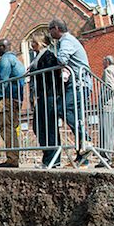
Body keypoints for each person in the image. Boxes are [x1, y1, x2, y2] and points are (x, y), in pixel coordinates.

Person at [48, 18, 91, 163]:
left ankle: (86, 140)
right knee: (76, 117)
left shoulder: (66, 40)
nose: (49, 32)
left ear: (56, 28)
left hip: (78, 83)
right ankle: (82, 157)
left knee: (64, 110)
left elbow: (61, 59)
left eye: (50, 29)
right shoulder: (68, 40)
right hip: (79, 83)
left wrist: (61, 66)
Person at [27, 32, 61, 167]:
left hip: (49, 95)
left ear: (40, 42)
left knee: (49, 127)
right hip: (41, 96)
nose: (31, 44)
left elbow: (50, 74)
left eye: (33, 42)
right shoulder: (37, 57)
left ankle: (52, 160)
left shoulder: (48, 56)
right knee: (38, 126)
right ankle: (50, 157)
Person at [0, 38, 25, 167]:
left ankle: (12, 159)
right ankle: (13, 158)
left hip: (6, 99)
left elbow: (2, 81)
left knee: (6, 128)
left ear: (2, 47)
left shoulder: (5, 60)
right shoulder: (17, 60)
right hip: (17, 98)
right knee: (11, 128)